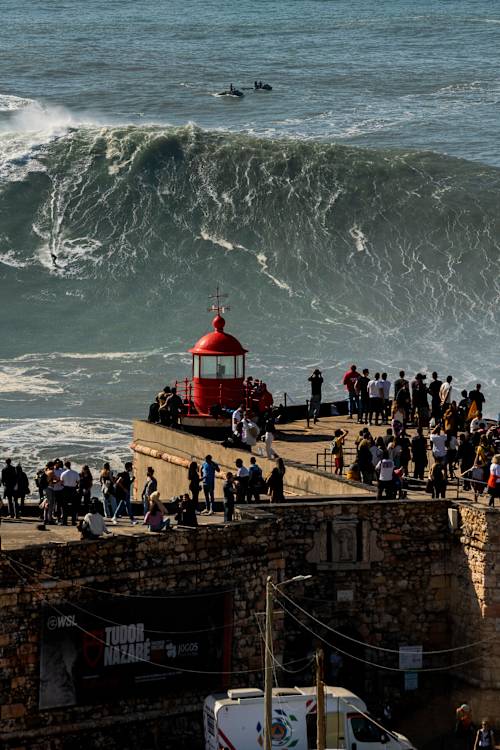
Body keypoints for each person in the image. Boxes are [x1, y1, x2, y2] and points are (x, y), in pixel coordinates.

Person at [60, 460, 80, 526]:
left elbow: (61, 483)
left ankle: (64, 521)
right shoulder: (75, 473)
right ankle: (73, 521)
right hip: (73, 489)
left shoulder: (63, 473)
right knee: (74, 506)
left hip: (65, 489)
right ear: (70, 465)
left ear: (65, 466)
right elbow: (78, 482)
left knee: (64, 506)